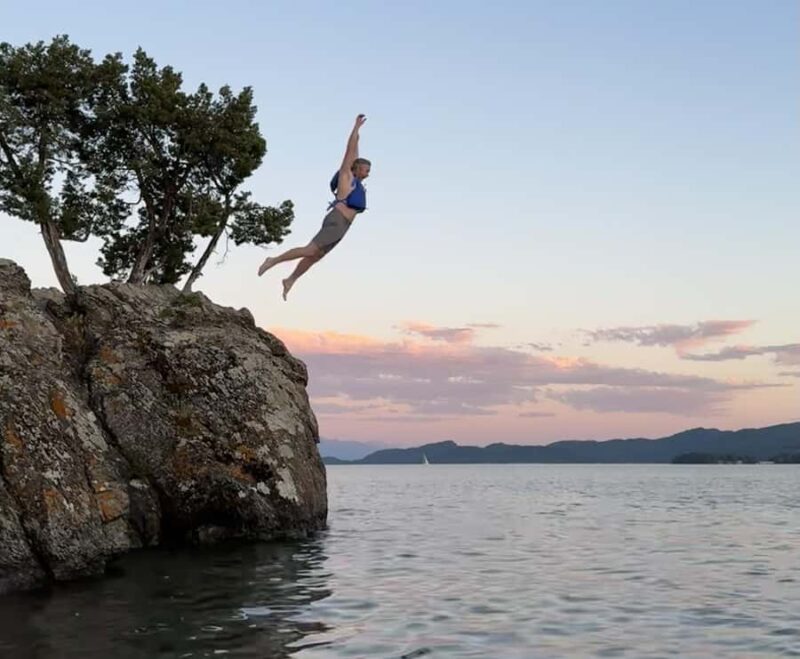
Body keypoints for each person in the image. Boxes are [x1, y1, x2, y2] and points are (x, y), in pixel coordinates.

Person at [258, 114, 371, 300]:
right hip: (337, 220)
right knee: (310, 250)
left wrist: (358, 136)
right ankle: (273, 261)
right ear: (356, 168)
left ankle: (290, 280)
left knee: (315, 256)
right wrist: (356, 129)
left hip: (344, 227)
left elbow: (355, 152)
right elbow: (350, 151)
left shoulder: (357, 182)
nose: (368, 172)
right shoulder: (346, 176)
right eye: (366, 169)